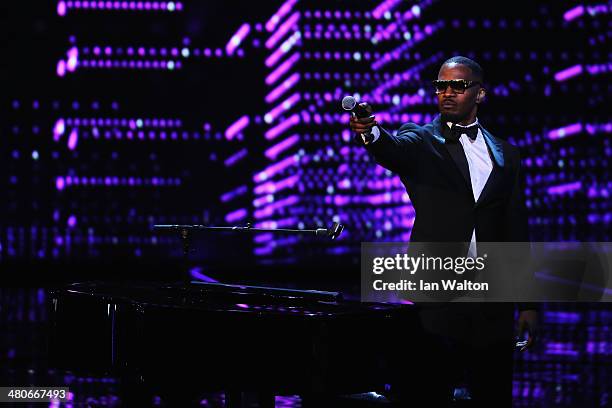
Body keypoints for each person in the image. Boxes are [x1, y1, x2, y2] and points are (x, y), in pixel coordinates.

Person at [349, 56, 538, 407]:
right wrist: (371, 132)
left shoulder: (506, 155)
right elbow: (391, 149)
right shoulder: (420, 139)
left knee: (493, 394)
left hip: (492, 305)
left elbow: (516, 231)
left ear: (480, 94)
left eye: (458, 85)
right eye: (441, 85)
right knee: (425, 393)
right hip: (435, 304)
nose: (447, 93)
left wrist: (528, 304)